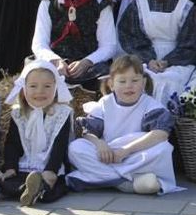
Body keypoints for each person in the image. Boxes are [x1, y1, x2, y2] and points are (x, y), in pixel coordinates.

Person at [67, 55, 181, 195]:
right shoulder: (105, 103)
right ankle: (124, 183)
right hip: (108, 154)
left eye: (135, 80)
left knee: (162, 148)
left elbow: (161, 134)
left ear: (144, 82)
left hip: (135, 154)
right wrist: (100, 144)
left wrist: (126, 150)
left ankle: (98, 178)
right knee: (76, 147)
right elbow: (89, 132)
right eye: (122, 81)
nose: (129, 86)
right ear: (111, 84)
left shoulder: (150, 105)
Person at [0, 59, 73, 206]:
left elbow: (60, 145)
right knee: (7, 181)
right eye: (33, 86)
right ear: (24, 88)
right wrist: (10, 167)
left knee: (52, 187)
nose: (40, 91)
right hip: (25, 165)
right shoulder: (19, 114)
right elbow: (12, 143)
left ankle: (35, 191)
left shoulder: (62, 113)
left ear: (56, 88)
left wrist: (51, 170)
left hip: (50, 167)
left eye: (47, 86)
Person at [118, 0, 196, 106]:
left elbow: (191, 43)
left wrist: (167, 62)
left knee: (168, 81)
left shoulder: (186, 7)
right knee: (139, 79)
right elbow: (130, 37)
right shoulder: (139, 5)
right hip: (145, 58)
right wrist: (148, 59)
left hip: (178, 61)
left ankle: (166, 124)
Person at [32, 0, 117, 88]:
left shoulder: (101, 4)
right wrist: (56, 61)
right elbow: (39, 43)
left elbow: (109, 46)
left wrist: (87, 61)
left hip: (90, 66)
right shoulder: (48, 3)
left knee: (105, 76)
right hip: (56, 64)